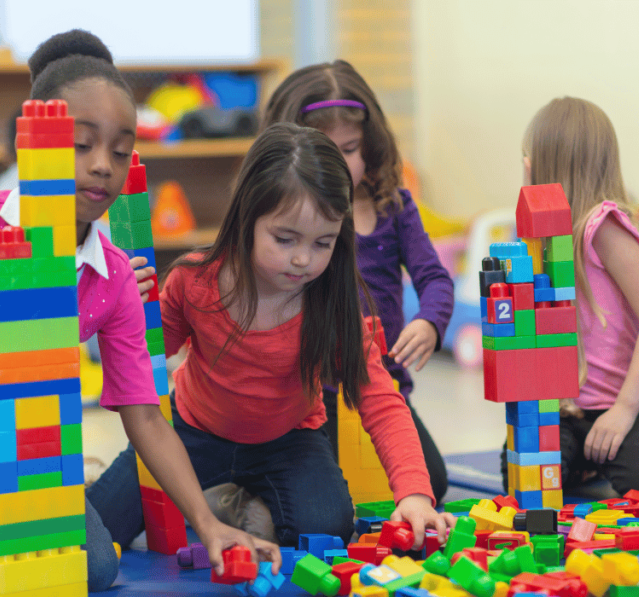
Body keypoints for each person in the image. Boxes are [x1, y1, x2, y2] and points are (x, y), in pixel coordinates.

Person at [0, 29, 277, 597]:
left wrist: (208, 524)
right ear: (35, 146)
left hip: (13, 452)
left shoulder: (112, 277)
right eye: (81, 145)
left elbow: (146, 416)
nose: (102, 167)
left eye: (119, 150)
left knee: (91, 570)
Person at [90, 123, 455, 551]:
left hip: (289, 440)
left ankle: (236, 500)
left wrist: (414, 492)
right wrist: (127, 312)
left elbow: (379, 397)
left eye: (324, 242)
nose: (303, 259)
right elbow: (148, 355)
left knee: (328, 528)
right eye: (284, 239)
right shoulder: (195, 280)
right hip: (194, 432)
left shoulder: (332, 303)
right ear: (248, 217)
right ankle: (202, 493)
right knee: (98, 524)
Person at [260, 60, 453, 504]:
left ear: (371, 144)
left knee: (432, 484)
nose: (337, 165)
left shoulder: (392, 206)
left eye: (348, 149)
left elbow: (434, 278)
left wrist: (429, 322)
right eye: (322, 150)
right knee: (326, 497)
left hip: (383, 387)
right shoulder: (283, 219)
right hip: (309, 397)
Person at [500, 97, 639, 511]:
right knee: (519, 481)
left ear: (540, 166)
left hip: (615, 404)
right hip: (562, 410)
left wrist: (624, 410)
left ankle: (632, 444)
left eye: (526, 160)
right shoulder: (537, 240)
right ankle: (589, 459)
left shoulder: (602, 227)